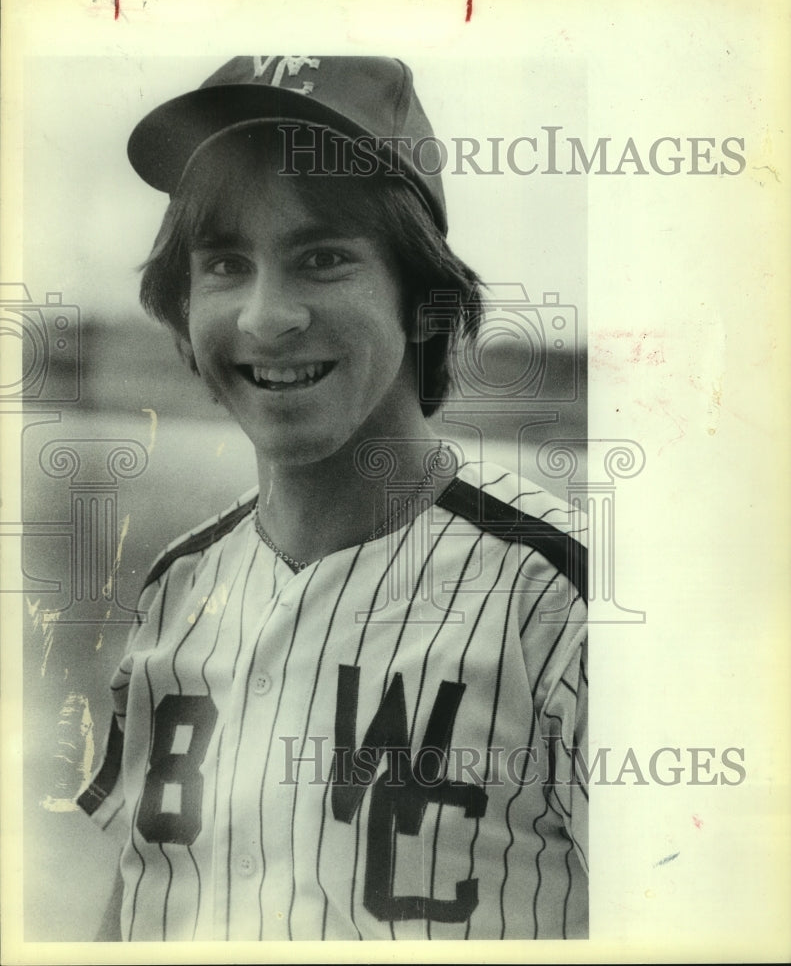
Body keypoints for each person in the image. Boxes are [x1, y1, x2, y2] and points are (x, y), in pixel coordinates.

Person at [78, 55, 588, 941]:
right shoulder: (178, 585)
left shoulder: (563, 593)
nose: (265, 317)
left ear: (422, 298)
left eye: (322, 258)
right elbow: (138, 897)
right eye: (225, 263)